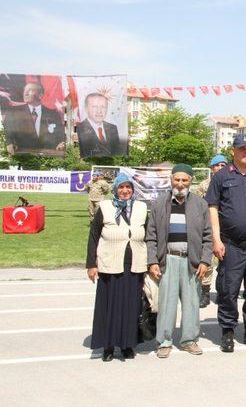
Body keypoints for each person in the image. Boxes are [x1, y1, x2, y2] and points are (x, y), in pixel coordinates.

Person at [206, 134, 246, 353]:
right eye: (241, 148)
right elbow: (213, 208)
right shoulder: (221, 177)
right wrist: (216, 239)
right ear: (233, 151)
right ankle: (227, 332)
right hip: (231, 245)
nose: (245, 152)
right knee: (228, 290)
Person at [146, 164, 213, 358]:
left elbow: (207, 237)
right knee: (166, 303)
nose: (181, 184)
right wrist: (152, 261)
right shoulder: (159, 203)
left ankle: (189, 340)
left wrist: (205, 261)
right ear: (171, 179)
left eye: (185, 180)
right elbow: (151, 236)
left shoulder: (200, 204)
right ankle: (164, 341)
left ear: (191, 181)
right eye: (177, 179)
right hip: (168, 259)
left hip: (191, 261)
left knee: (191, 303)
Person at [86, 173, 147, 361]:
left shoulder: (141, 207)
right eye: (121, 187)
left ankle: (128, 344)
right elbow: (94, 235)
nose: (125, 191)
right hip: (109, 264)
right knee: (110, 306)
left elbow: (149, 234)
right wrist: (91, 264)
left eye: (128, 187)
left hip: (134, 264)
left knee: (131, 306)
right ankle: (109, 346)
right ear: (115, 189)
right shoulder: (105, 207)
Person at [195, 154, 227, 308]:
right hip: (207, 226)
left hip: (225, 227)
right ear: (211, 168)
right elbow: (197, 205)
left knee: (225, 261)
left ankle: (222, 291)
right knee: (206, 259)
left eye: (223, 165)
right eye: (217, 165)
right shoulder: (204, 185)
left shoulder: (230, 182)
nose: (220, 168)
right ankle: (205, 291)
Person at [2, 82, 65, 155]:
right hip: (23, 157)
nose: (25, 93)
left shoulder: (53, 114)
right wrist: (9, 143)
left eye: (30, 90)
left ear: (40, 95)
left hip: (48, 157)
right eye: (25, 90)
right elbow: (7, 131)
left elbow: (60, 135)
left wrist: (61, 143)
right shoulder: (14, 112)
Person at [77, 93, 126, 158]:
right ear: (86, 108)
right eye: (94, 107)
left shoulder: (113, 128)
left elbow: (117, 153)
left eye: (103, 107)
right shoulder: (80, 128)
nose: (99, 111)